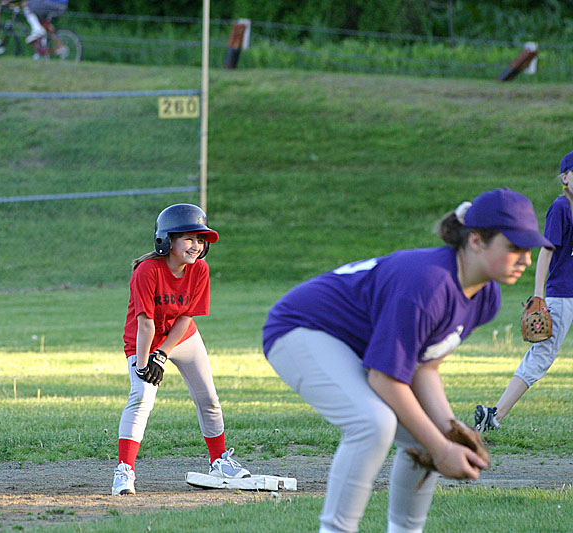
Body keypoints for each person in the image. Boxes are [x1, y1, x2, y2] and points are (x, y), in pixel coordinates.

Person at [262, 188, 552, 533]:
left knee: (423, 432)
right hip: (300, 329)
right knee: (373, 422)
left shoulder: (485, 296)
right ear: (476, 241)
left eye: (529, 248)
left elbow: (424, 367)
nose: (526, 259)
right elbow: (385, 380)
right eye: (514, 247)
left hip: (352, 343)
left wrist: (447, 431)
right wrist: (441, 450)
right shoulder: (429, 284)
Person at [111, 203, 250, 496]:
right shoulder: (147, 271)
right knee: (141, 398)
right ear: (166, 241)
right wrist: (145, 362)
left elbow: (186, 317)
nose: (196, 246)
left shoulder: (200, 270)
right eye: (188, 238)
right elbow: (146, 325)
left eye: (200, 240)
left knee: (209, 398)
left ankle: (220, 461)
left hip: (182, 336)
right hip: (143, 338)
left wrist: (163, 354)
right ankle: (124, 471)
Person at [475, 153, 573, 432]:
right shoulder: (561, 207)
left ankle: (493, 417)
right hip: (563, 294)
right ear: (565, 178)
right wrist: (538, 295)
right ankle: (493, 417)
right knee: (542, 356)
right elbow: (546, 250)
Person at [0, 0, 68, 50]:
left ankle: (37, 30)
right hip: (60, 5)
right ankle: (43, 51)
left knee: (26, 4)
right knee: (42, 21)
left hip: (53, 3)